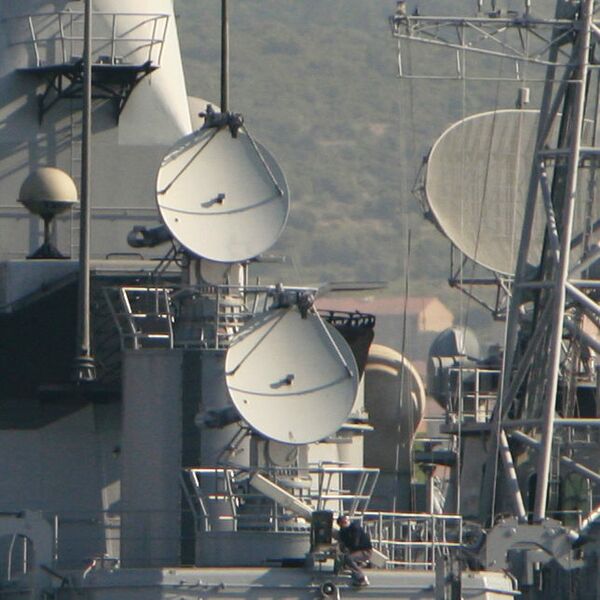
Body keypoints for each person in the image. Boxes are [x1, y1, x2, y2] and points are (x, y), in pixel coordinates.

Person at [336, 514, 372, 586]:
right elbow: (344, 543)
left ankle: (361, 578)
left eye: (344, 523)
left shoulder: (355, 528)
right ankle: (355, 574)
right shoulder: (343, 531)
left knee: (349, 558)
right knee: (344, 558)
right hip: (356, 550)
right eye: (341, 524)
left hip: (365, 551)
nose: (343, 526)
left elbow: (355, 543)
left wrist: (346, 548)